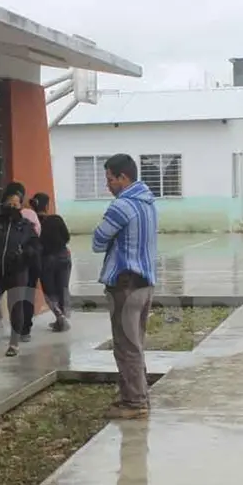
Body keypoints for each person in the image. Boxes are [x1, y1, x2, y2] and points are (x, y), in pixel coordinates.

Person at [92, 154, 158, 420]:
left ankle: (134, 402)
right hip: (145, 284)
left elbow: (97, 241)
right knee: (136, 343)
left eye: (110, 179)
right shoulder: (149, 203)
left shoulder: (121, 206)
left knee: (125, 345)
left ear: (123, 178)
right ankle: (140, 395)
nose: (108, 185)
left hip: (125, 284)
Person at [0, 190, 39, 357]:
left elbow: (35, 246)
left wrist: (24, 254)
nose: (11, 207)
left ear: (21, 205)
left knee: (16, 306)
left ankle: (14, 343)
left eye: (15, 204)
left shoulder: (25, 225)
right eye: (8, 203)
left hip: (17, 271)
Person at [3, 181, 41, 341]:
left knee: (20, 298)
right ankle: (23, 329)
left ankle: (21, 329)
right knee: (25, 296)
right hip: (21, 263)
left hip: (25, 262)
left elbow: (35, 237)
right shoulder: (30, 214)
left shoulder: (26, 217)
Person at [31, 192, 72, 332]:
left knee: (50, 291)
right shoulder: (56, 219)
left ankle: (59, 317)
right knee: (63, 288)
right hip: (63, 256)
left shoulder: (31, 222)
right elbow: (67, 237)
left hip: (45, 259)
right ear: (47, 205)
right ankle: (64, 317)